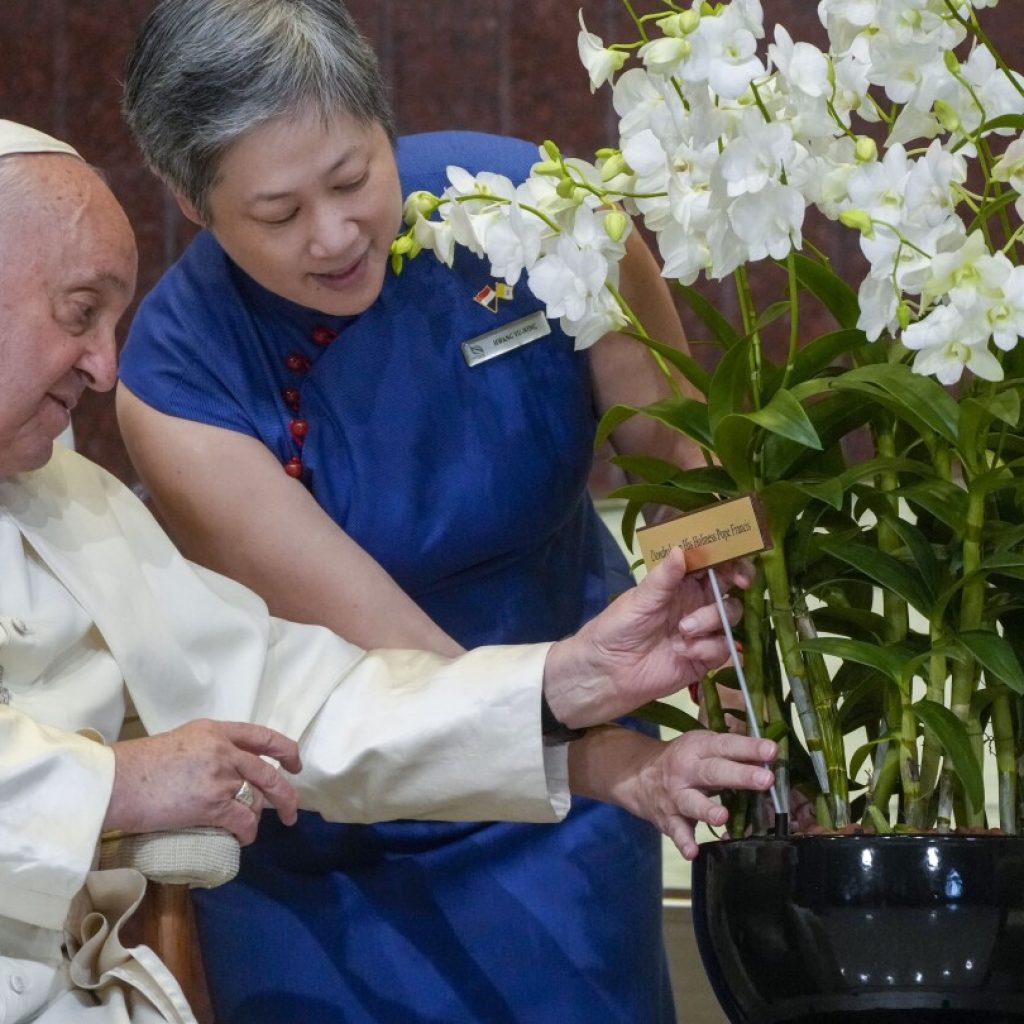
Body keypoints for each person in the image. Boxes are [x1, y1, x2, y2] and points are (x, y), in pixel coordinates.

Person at [0, 120, 778, 1024]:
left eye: (349, 179)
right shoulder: (184, 368)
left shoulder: (520, 199)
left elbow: (289, 694)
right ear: (199, 206)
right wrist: (117, 784)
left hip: (528, 747)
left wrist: (575, 682)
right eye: (79, 311)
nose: (101, 366)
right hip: (332, 860)